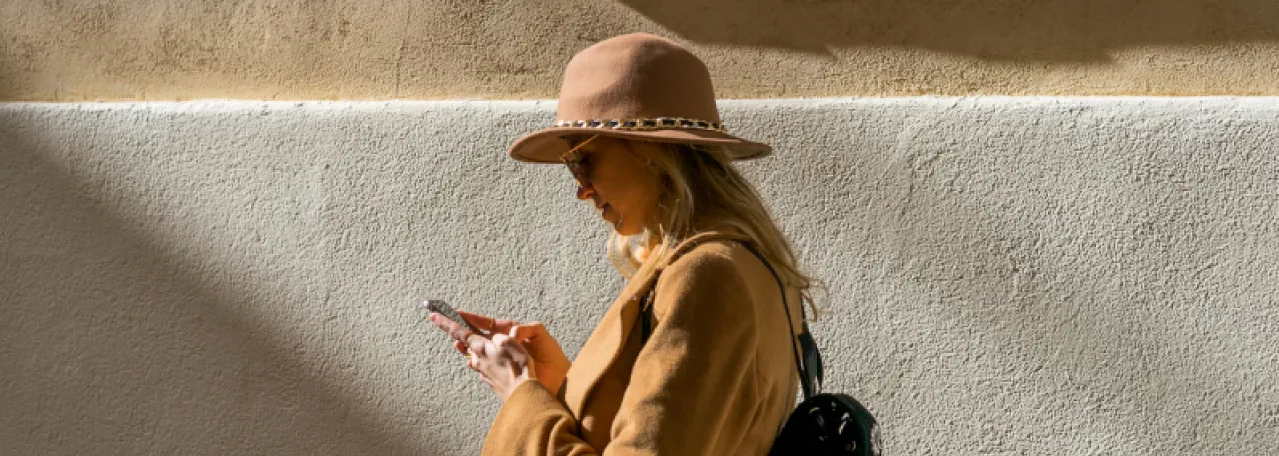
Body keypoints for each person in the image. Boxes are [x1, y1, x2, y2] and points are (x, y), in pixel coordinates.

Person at [428, 32, 819, 455]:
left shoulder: (706, 273)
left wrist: (519, 392)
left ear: (652, 150)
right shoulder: (736, 261)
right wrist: (558, 383)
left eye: (582, 160)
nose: (582, 189)